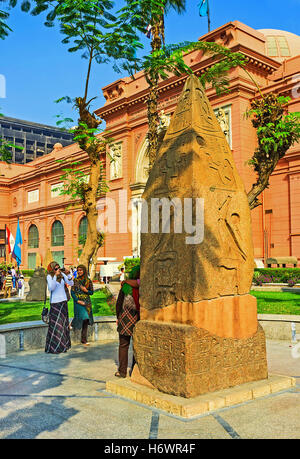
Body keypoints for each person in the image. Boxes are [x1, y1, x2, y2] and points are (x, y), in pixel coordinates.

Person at [115, 264, 140, 378]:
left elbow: (119, 303)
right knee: (137, 345)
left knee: (123, 345)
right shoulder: (143, 287)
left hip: (125, 318)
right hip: (138, 318)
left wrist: (118, 317)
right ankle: (135, 369)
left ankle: (122, 371)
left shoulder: (125, 287)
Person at [45, 261, 74, 354]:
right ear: (52, 269)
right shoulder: (49, 276)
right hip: (55, 303)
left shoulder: (62, 275)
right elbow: (51, 288)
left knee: (64, 324)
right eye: (56, 268)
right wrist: (55, 276)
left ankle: (64, 345)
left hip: (63, 302)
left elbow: (71, 283)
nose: (58, 270)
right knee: (57, 326)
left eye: (59, 268)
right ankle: (55, 347)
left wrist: (68, 273)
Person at [70, 264, 94, 346]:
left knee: (86, 320)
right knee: (84, 317)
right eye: (78, 270)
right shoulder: (75, 281)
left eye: (81, 270)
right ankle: (73, 323)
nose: (79, 271)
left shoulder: (88, 281)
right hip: (78, 302)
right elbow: (72, 292)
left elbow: (92, 292)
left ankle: (84, 339)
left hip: (87, 301)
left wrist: (86, 290)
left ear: (84, 271)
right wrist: (77, 301)